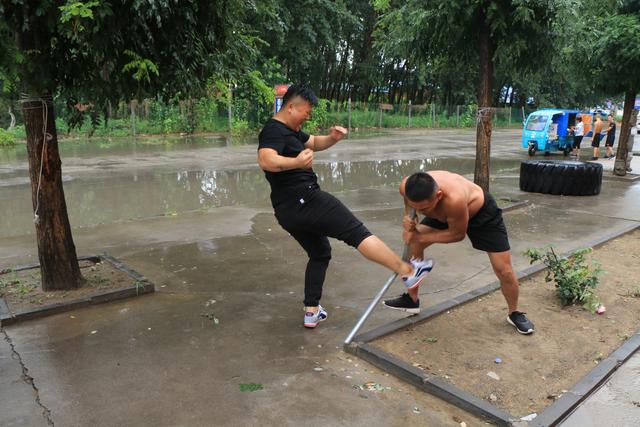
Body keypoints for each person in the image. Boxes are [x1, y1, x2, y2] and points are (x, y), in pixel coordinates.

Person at [257, 84, 433, 328]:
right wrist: (296, 162)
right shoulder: (273, 130)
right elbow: (266, 160)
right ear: (291, 107)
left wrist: (332, 138)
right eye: (306, 112)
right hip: (306, 200)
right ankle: (409, 271)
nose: (308, 116)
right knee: (356, 233)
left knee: (320, 252)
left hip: (287, 211)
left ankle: (311, 310)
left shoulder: (292, 130)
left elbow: (315, 142)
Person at [383, 171, 535, 335]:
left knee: (504, 269)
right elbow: (410, 205)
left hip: (482, 215)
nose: (420, 212)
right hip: (442, 213)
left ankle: (514, 313)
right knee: (415, 245)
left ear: (438, 195)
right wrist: (409, 219)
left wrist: (418, 236)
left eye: (424, 208)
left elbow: (457, 234)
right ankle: (411, 300)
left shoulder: (454, 199)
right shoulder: (406, 186)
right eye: (417, 208)